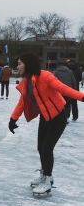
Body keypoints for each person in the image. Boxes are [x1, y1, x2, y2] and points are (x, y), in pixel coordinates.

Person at [8, 53, 84, 195]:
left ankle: (48, 180)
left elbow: (63, 88)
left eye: (19, 63)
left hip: (58, 117)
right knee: (40, 147)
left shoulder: (45, 76)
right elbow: (22, 102)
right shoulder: (26, 81)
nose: (17, 66)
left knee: (47, 149)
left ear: (28, 64)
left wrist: (82, 97)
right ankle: (45, 174)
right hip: (45, 117)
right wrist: (13, 119)